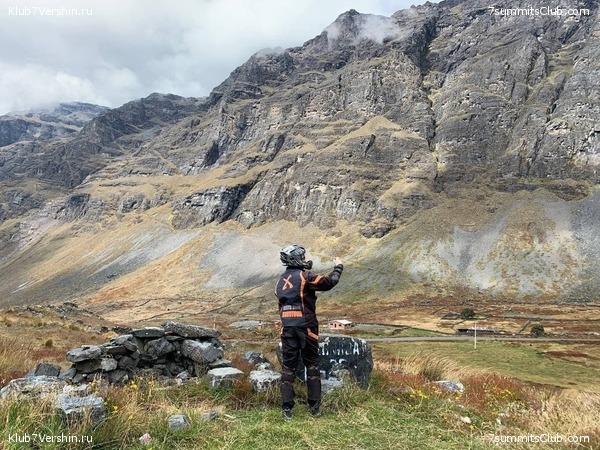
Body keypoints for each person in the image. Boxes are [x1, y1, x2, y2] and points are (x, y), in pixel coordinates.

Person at [275, 244, 344, 419]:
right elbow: (330, 282)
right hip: (307, 327)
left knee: (288, 367)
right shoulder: (305, 276)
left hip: (287, 328)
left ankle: (287, 409)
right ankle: (314, 407)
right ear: (296, 259)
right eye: (303, 257)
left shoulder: (280, 281)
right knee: (312, 365)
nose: (305, 259)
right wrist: (339, 266)